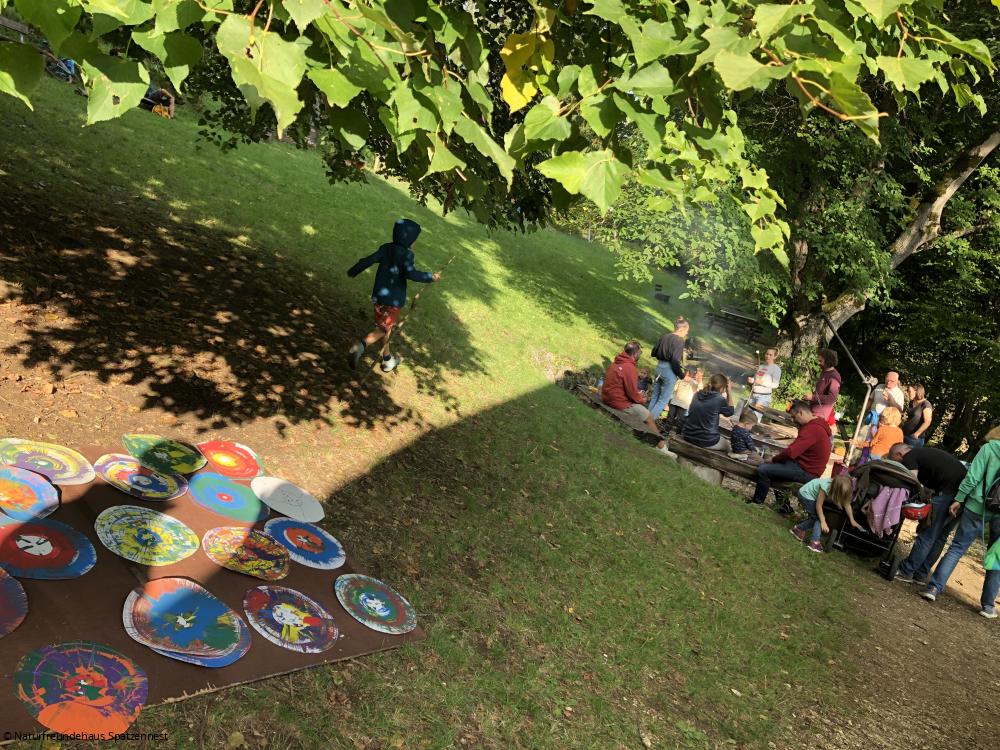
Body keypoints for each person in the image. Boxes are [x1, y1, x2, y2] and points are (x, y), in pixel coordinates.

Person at [920, 427, 1000, 617]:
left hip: (976, 506)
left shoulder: (989, 449)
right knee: (997, 557)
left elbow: (973, 476)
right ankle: (988, 605)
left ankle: (934, 588)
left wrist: (959, 498)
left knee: (957, 548)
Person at [347, 219, 440, 372]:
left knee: (385, 327)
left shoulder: (386, 248)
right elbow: (411, 273)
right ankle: (360, 346)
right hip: (393, 301)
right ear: (409, 240)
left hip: (378, 296)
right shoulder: (407, 255)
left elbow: (369, 259)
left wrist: (354, 270)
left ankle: (387, 360)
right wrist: (430, 277)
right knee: (383, 329)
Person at [888, 442, 968, 585]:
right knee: (940, 536)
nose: (899, 465)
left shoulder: (909, 456)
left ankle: (907, 570)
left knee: (928, 533)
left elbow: (913, 482)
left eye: (894, 460)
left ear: (899, 454)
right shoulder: (923, 454)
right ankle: (921, 574)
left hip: (949, 492)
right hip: (964, 494)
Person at [750, 400, 832, 505]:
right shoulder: (815, 425)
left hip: (807, 472)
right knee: (775, 470)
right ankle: (784, 507)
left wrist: (773, 459)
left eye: (794, 417)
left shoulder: (812, 429)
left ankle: (757, 502)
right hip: (804, 467)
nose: (793, 420)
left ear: (801, 413)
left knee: (763, 469)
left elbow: (791, 452)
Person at [600, 341, 674, 456]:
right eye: (640, 352)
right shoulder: (630, 367)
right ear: (635, 353)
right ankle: (661, 447)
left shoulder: (617, 362)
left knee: (640, 408)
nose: (641, 354)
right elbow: (632, 394)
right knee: (648, 415)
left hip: (607, 397)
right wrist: (642, 399)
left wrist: (637, 396)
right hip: (617, 402)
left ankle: (651, 439)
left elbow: (625, 389)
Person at [790, 474, 861, 553]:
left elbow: (847, 504)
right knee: (818, 519)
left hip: (810, 495)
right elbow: (818, 506)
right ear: (836, 491)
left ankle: (798, 529)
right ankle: (814, 542)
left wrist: (852, 520)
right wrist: (823, 521)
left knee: (816, 518)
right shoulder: (825, 488)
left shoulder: (837, 487)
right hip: (806, 495)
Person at [647, 317, 689, 420]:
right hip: (669, 370)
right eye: (686, 331)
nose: (686, 333)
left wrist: (664, 353)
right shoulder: (679, 340)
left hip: (659, 367)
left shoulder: (664, 336)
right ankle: (649, 422)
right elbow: (674, 361)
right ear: (681, 329)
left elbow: (653, 352)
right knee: (663, 400)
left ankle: (646, 418)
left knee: (655, 397)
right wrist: (682, 376)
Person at [682, 374, 735, 451]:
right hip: (706, 440)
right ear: (723, 387)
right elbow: (730, 412)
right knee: (728, 445)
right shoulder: (719, 399)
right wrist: (729, 392)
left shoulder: (697, 394)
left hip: (687, 434)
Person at [805, 349, 841, 423]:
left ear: (828, 361)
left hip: (820, 414)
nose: (818, 363)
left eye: (820, 361)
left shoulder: (834, 376)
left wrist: (812, 397)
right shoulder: (824, 372)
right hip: (812, 410)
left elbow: (831, 398)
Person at [902, 384, 933, 448]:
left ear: (917, 392)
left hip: (914, 439)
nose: (908, 393)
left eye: (910, 391)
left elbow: (927, 421)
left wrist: (916, 434)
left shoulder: (926, 404)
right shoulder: (911, 402)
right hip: (904, 434)